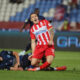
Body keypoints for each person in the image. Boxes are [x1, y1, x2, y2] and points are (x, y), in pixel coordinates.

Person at [0, 50, 66, 71]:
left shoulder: (3, 53)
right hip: (22, 66)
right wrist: (17, 68)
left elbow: (15, 53)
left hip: (22, 58)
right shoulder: (1, 65)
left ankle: (47, 56)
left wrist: (18, 62)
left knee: (34, 56)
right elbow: (10, 68)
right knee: (36, 68)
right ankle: (56, 68)